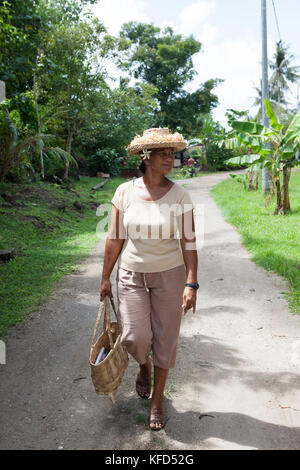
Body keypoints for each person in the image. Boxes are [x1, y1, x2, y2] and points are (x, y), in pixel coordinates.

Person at [99, 128, 198, 431]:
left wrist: (191, 282)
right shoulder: (124, 192)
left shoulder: (180, 195)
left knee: (166, 340)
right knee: (135, 337)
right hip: (131, 274)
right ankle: (143, 366)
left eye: (172, 153)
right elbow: (115, 237)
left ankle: (157, 400)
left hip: (170, 276)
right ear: (146, 157)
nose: (170, 158)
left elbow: (189, 242)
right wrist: (105, 277)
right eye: (163, 153)